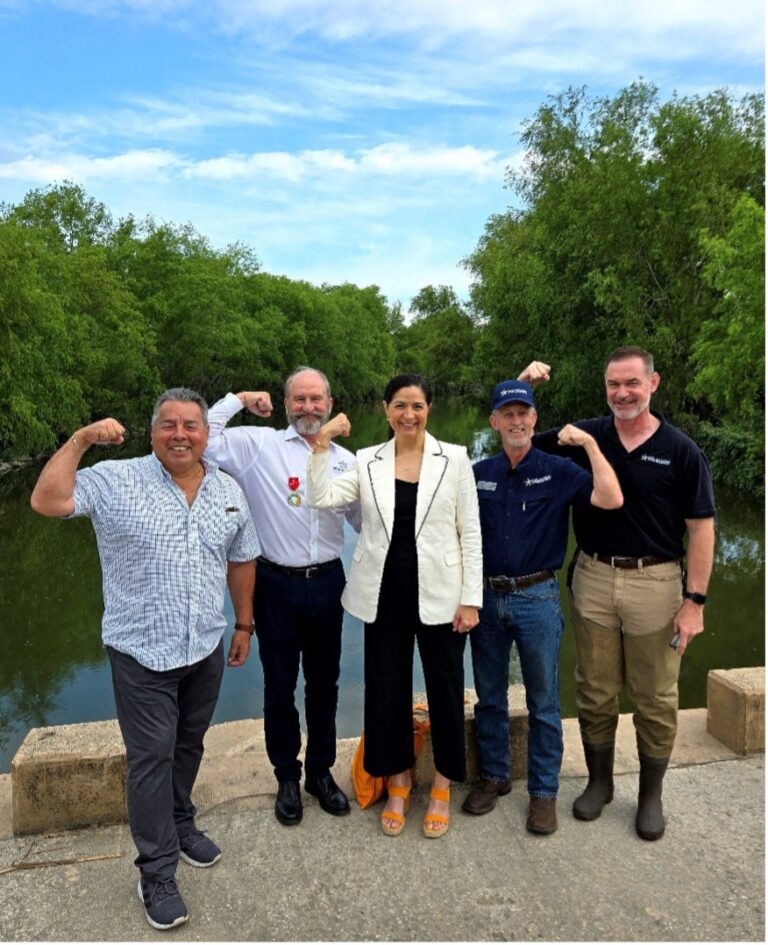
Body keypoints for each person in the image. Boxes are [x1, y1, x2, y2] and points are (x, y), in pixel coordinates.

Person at [29, 388, 260, 932]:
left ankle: (181, 823)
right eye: (168, 425)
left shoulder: (228, 489)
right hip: (141, 651)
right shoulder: (116, 480)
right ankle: (155, 870)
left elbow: (242, 558)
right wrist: (83, 439)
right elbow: (47, 501)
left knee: (188, 743)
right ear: (152, 430)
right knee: (152, 756)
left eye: (191, 425)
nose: (180, 434)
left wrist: (244, 623)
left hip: (203, 643)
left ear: (208, 433)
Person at [520, 347, 716, 840]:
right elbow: (515, 445)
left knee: (654, 696)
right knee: (595, 689)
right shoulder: (583, 435)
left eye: (632, 383)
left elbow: (701, 528)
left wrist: (695, 602)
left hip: (656, 581)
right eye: (613, 384)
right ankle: (600, 783)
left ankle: (651, 796)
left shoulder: (680, 450)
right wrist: (522, 385)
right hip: (593, 577)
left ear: (654, 384)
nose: (622, 394)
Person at [306, 373, 483, 838]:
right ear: (386, 410)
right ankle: (399, 780)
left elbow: (471, 531)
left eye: (417, 406)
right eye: (400, 405)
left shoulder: (456, 459)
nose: (409, 414)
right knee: (386, 689)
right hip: (383, 591)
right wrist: (321, 442)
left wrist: (471, 599)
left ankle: (443, 782)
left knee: (446, 686)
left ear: (429, 409)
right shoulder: (367, 462)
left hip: (442, 592)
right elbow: (321, 497)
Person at [463, 380, 623, 835]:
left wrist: (590, 443)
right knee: (489, 696)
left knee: (545, 702)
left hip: (538, 598)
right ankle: (494, 776)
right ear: (494, 422)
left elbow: (611, 498)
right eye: (507, 414)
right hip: (487, 598)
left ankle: (544, 793)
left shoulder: (557, 469)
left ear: (535, 419)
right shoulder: (478, 472)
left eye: (524, 413)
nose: (516, 421)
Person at [205, 368, 361, 826]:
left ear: (330, 403)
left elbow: (364, 523)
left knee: (325, 686)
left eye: (316, 399)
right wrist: (239, 397)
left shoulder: (346, 460)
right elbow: (206, 438)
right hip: (274, 584)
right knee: (278, 687)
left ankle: (320, 773)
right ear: (287, 403)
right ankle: (287, 777)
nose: (308, 408)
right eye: (299, 399)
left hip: (329, 582)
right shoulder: (260, 447)